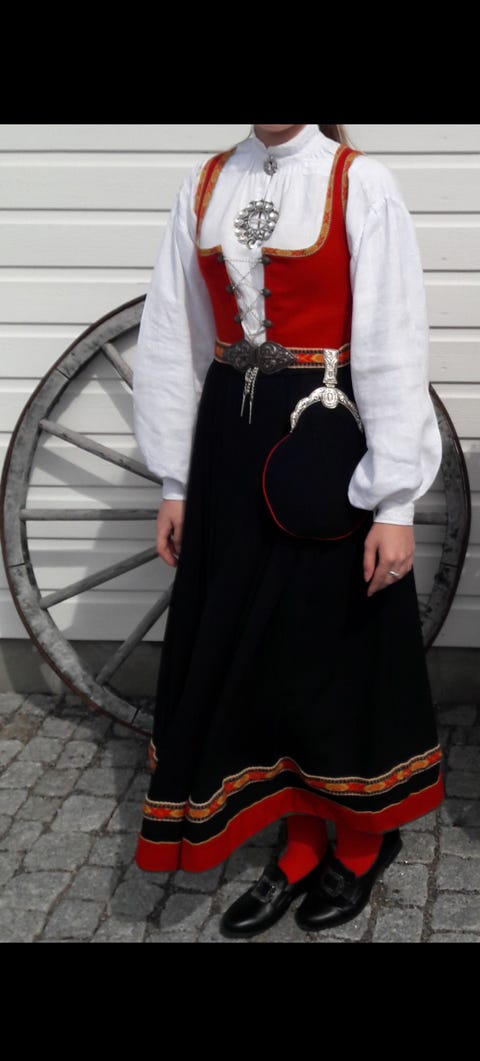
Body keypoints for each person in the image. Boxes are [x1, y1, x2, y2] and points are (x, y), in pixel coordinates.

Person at [133, 124, 444, 939]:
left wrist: (395, 503)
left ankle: (364, 838)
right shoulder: (205, 184)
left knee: (329, 644)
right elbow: (174, 334)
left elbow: (393, 342)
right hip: (229, 450)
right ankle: (300, 839)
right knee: (258, 647)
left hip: (324, 441)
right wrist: (175, 480)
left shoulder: (359, 183)